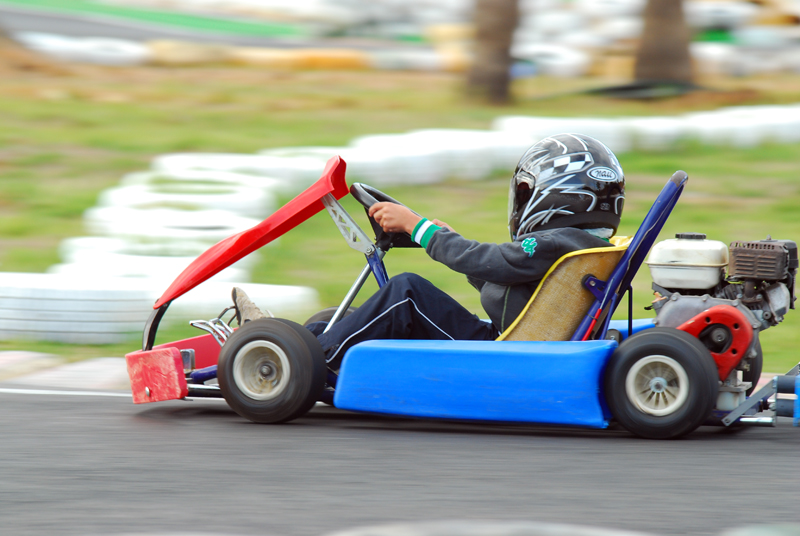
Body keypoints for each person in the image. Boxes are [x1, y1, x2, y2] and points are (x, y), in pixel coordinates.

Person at [236, 133, 626, 370]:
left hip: (499, 349)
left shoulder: (554, 243)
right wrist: (438, 236)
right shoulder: (582, 246)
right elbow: (509, 279)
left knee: (407, 293)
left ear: (557, 196)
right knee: (367, 317)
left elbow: (490, 261)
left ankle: (291, 359)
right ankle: (290, 340)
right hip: (513, 340)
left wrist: (417, 227)